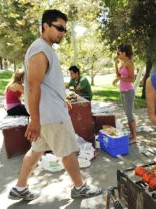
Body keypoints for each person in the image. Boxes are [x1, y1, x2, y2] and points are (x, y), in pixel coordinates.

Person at [8, 9, 102, 201]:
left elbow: (45, 84)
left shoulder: (45, 48)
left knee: (35, 151)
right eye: (59, 28)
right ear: (46, 26)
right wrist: (34, 120)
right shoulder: (40, 50)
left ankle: (20, 187)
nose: (63, 33)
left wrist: (62, 99)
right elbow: (33, 87)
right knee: (68, 151)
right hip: (51, 117)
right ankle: (80, 187)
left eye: (65, 29)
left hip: (46, 115)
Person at [113, 44, 137, 143]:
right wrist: (115, 64)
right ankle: (132, 136)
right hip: (123, 91)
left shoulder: (129, 63)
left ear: (124, 53)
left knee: (129, 114)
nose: (117, 54)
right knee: (127, 114)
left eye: (119, 52)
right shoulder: (123, 63)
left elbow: (132, 79)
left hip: (128, 92)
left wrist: (119, 78)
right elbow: (118, 75)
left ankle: (134, 137)